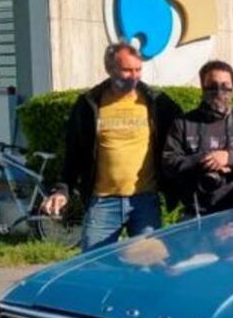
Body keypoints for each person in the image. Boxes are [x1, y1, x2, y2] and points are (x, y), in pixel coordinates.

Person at [41, 42, 183, 251]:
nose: (134, 76)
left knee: (149, 266)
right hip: (103, 203)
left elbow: (187, 129)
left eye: (138, 69)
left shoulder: (158, 103)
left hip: (144, 201)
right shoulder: (89, 104)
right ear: (110, 69)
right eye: (126, 70)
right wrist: (62, 189)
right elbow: (73, 152)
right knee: (94, 268)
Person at [162, 60, 233, 216]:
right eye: (212, 86)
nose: (219, 92)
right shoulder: (183, 123)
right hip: (196, 214)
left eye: (225, 86)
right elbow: (168, 163)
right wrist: (204, 160)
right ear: (202, 87)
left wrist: (231, 158)